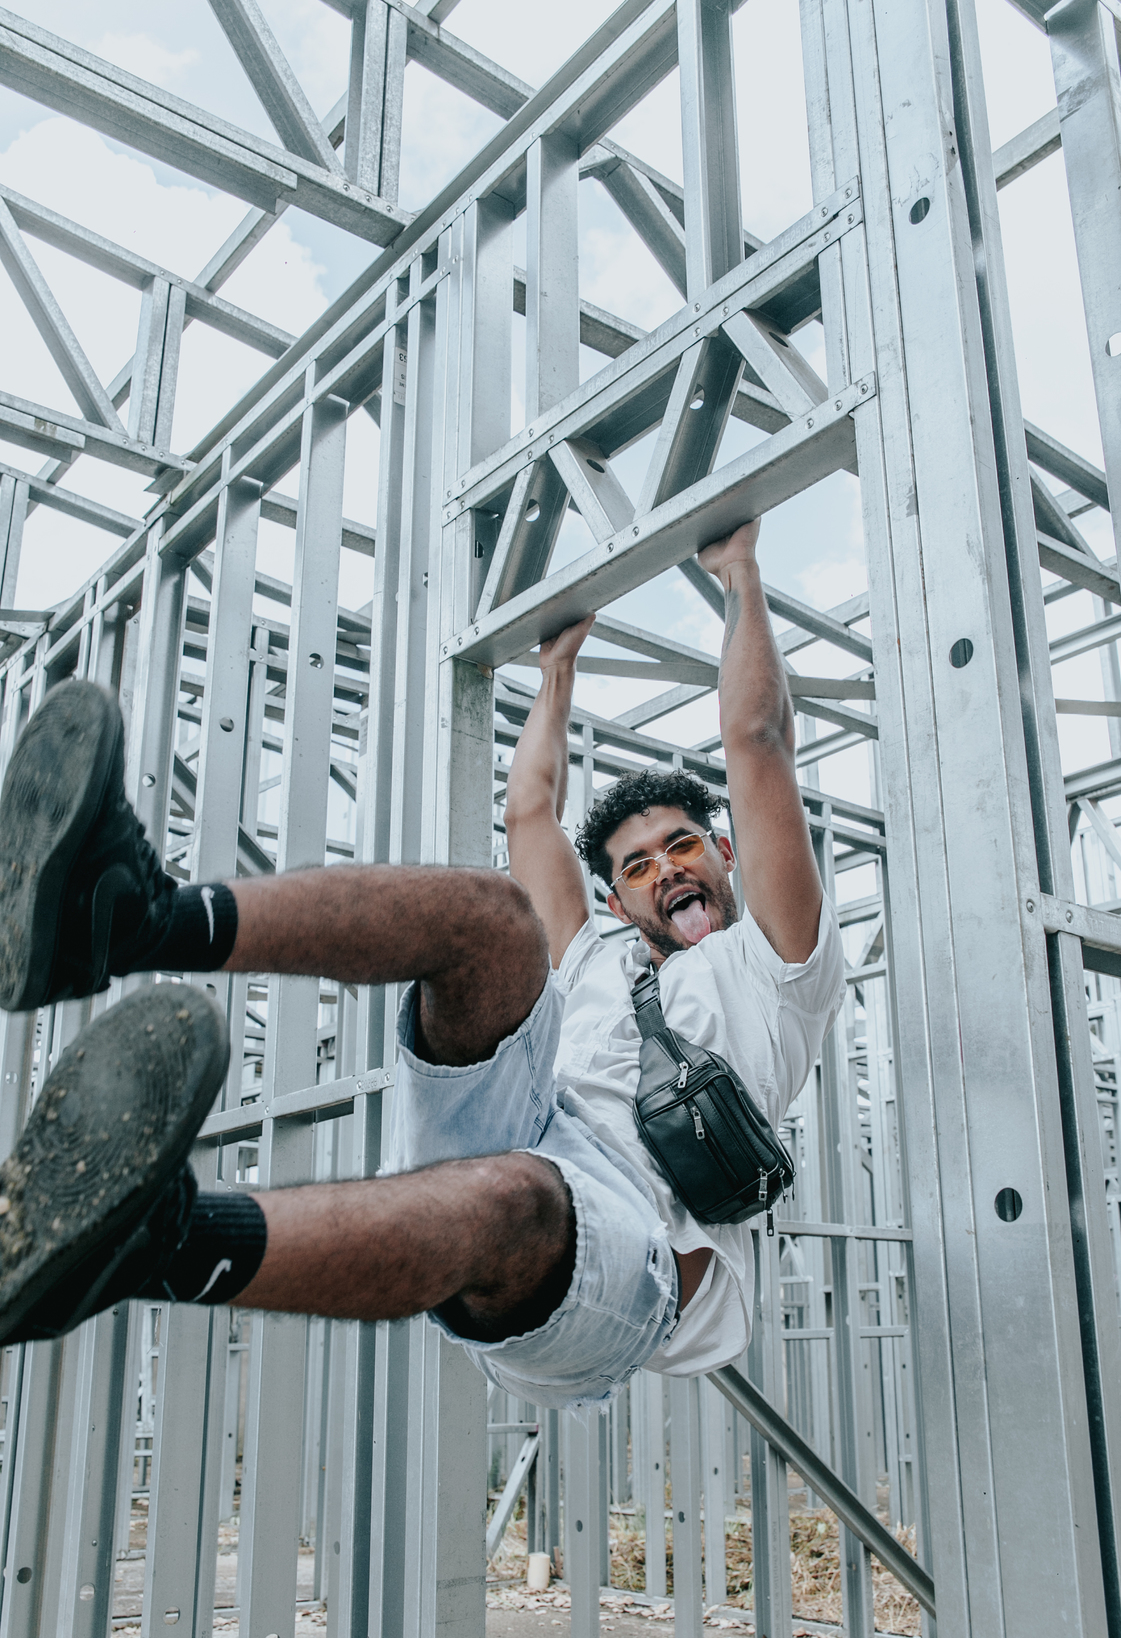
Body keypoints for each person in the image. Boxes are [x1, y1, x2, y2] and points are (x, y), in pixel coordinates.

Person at [0, 520, 844, 1406]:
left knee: (512, 1198)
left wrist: (739, 569)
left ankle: (146, 1243)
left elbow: (757, 740)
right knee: (489, 915)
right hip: (521, 1122)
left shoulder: (778, 964)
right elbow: (530, 814)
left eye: (682, 848)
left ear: (725, 854)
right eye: (637, 865)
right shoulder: (595, 955)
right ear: (614, 900)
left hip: (630, 1251)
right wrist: (558, 669)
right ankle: (128, 923)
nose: (666, 869)